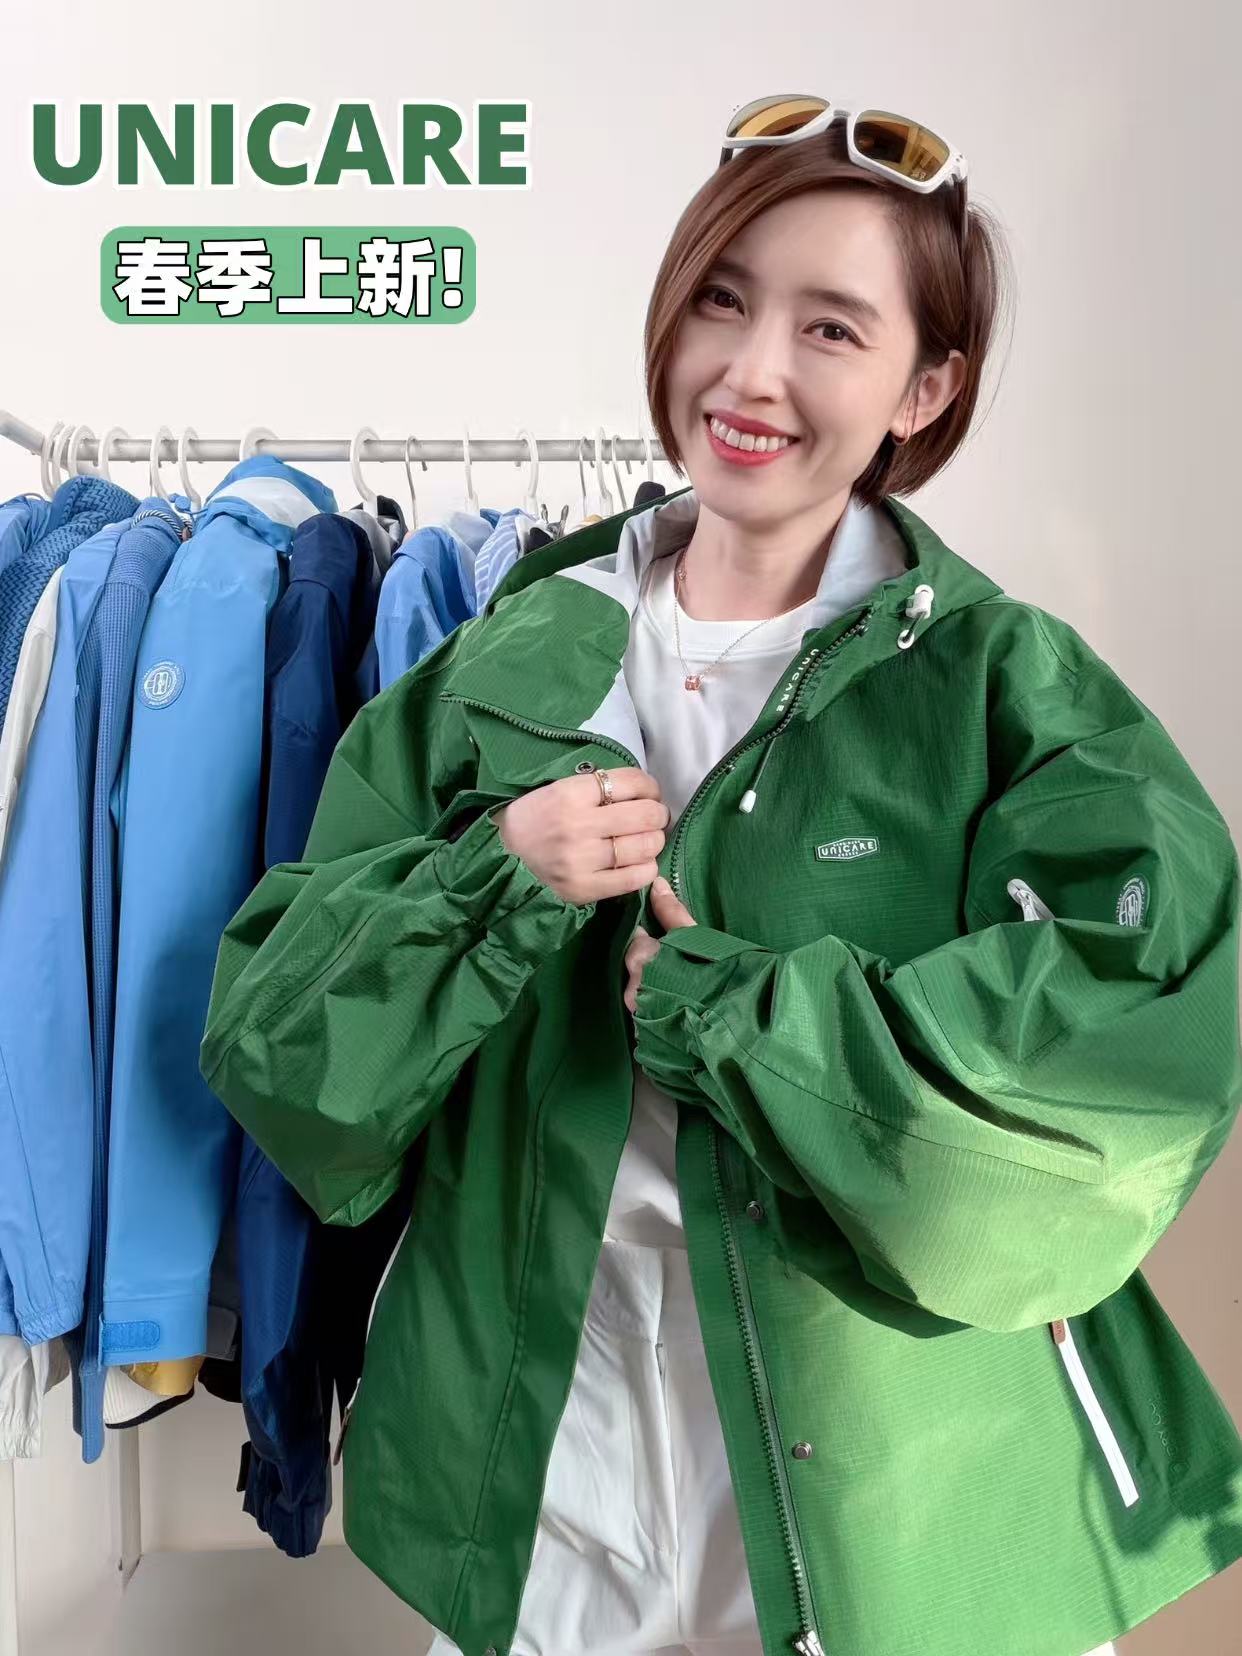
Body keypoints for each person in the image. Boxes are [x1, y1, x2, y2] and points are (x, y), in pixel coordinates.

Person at [199, 96, 1242, 1656]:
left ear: (923, 387)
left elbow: (1133, 1063)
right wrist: (494, 876)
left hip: (891, 1441)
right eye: (721, 300)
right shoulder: (506, 658)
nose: (751, 373)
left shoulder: (1000, 685)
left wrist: (739, 1014)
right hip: (551, 1405)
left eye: (831, 328)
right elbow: (285, 1062)